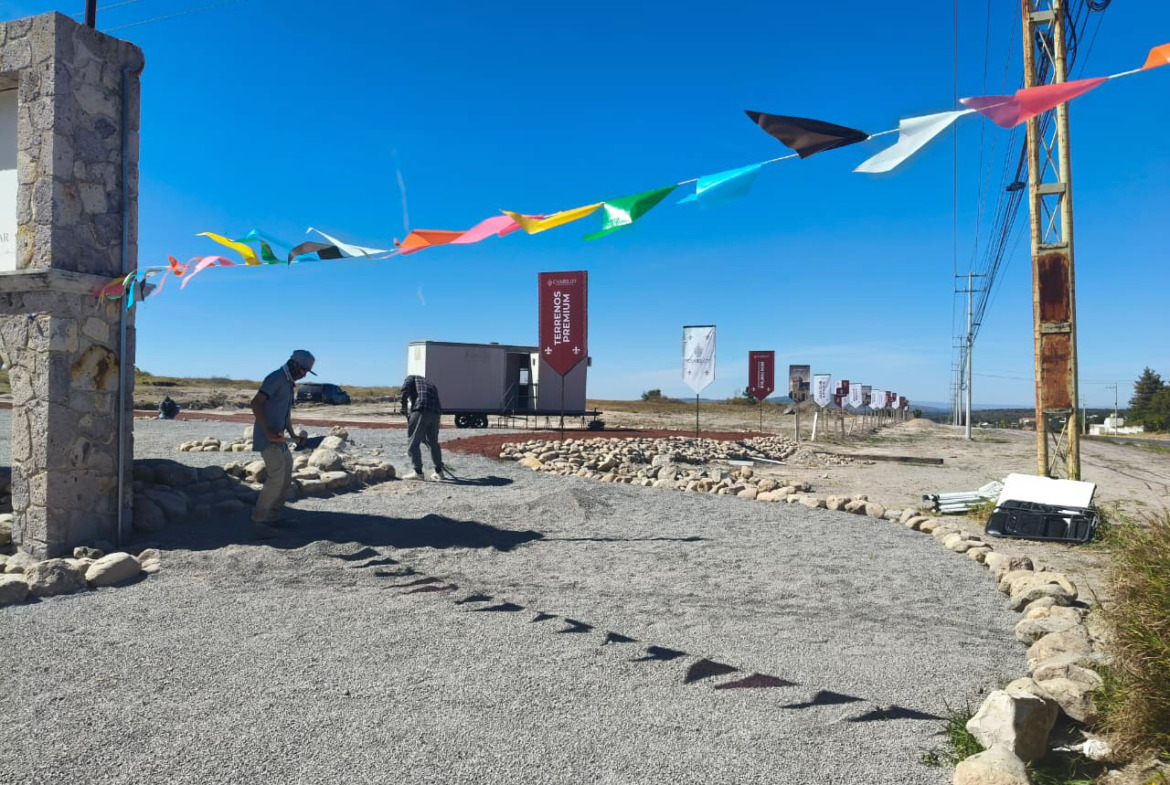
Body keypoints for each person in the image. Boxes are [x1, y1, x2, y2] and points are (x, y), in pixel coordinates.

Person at [250, 349, 315, 533]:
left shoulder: (289, 383)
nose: (304, 374)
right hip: (268, 438)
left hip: (280, 439)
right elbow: (255, 403)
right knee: (276, 478)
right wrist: (268, 431)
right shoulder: (277, 378)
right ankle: (259, 520)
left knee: (286, 476)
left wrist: (293, 436)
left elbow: (284, 414)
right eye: (303, 370)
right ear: (294, 365)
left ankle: (273, 517)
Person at [400, 374, 445, 481]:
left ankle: (418, 472)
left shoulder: (411, 378)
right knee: (433, 442)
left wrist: (403, 407)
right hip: (435, 413)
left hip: (421, 408)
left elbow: (404, 390)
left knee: (413, 442)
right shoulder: (430, 384)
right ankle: (439, 472)